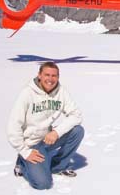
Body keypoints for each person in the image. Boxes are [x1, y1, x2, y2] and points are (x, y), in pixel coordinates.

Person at [7, 62, 84, 190]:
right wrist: (25, 151)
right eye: (47, 75)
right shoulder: (27, 93)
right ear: (39, 76)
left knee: (77, 131)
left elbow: (76, 115)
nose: (50, 79)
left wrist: (56, 132)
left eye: (54, 76)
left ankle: (57, 167)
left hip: (48, 139)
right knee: (43, 184)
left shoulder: (61, 91)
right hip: (30, 145)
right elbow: (13, 127)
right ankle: (22, 162)